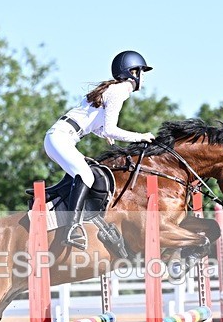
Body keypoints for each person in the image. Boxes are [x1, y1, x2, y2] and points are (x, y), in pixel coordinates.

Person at [44, 50, 156, 249]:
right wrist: (141, 136)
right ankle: (72, 228)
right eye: (142, 72)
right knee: (86, 176)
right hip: (60, 138)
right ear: (132, 72)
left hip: (62, 138)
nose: (143, 78)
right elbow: (111, 128)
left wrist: (104, 134)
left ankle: (49, 199)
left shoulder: (113, 90)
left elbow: (95, 124)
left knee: (87, 172)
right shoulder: (120, 90)